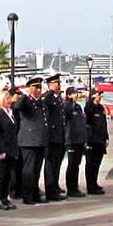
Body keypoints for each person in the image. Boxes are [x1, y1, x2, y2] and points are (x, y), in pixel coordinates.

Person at [13, 78, 48, 205]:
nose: (38, 90)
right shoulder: (26, 101)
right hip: (29, 140)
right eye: (36, 88)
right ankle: (27, 196)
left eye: (39, 88)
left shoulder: (40, 102)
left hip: (40, 139)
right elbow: (16, 107)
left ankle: (35, 194)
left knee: (36, 169)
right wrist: (25, 94)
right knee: (29, 169)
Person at [0, 89, 19, 209]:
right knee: (0, 176)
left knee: (7, 175)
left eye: (10, 99)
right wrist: (1, 150)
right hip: (1, 150)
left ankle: (5, 198)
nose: (10, 101)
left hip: (10, 148)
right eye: (7, 99)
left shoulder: (10, 113)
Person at [42, 74, 67, 202]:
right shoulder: (48, 97)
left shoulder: (57, 98)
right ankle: (50, 190)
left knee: (57, 164)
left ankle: (55, 187)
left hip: (59, 135)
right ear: (51, 84)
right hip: (51, 136)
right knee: (51, 165)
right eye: (57, 83)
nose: (59, 85)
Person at [63, 89, 88, 197]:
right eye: (73, 93)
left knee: (77, 164)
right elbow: (66, 114)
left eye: (76, 93)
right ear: (68, 95)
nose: (76, 95)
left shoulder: (78, 107)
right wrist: (69, 102)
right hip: (71, 139)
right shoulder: (67, 106)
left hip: (79, 139)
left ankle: (75, 186)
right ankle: (71, 188)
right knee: (72, 164)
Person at [84, 88, 109, 194]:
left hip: (100, 140)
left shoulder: (101, 108)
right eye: (98, 95)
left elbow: (104, 124)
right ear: (93, 96)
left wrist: (106, 137)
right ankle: (90, 186)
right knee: (90, 163)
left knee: (97, 163)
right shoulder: (89, 108)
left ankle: (94, 183)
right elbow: (87, 123)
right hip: (91, 140)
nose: (100, 97)